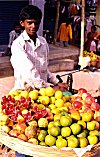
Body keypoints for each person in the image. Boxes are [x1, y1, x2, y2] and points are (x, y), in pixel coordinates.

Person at [10, 5, 59, 157]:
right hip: (25, 96)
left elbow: (44, 69)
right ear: (22, 23)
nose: (33, 26)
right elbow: (30, 73)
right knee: (25, 137)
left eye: (36, 23)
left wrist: (55, 81)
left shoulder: (43, 42)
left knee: (42, 136)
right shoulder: (18, 45)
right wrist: (50, 87)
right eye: (29, 23)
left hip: (44, 97)